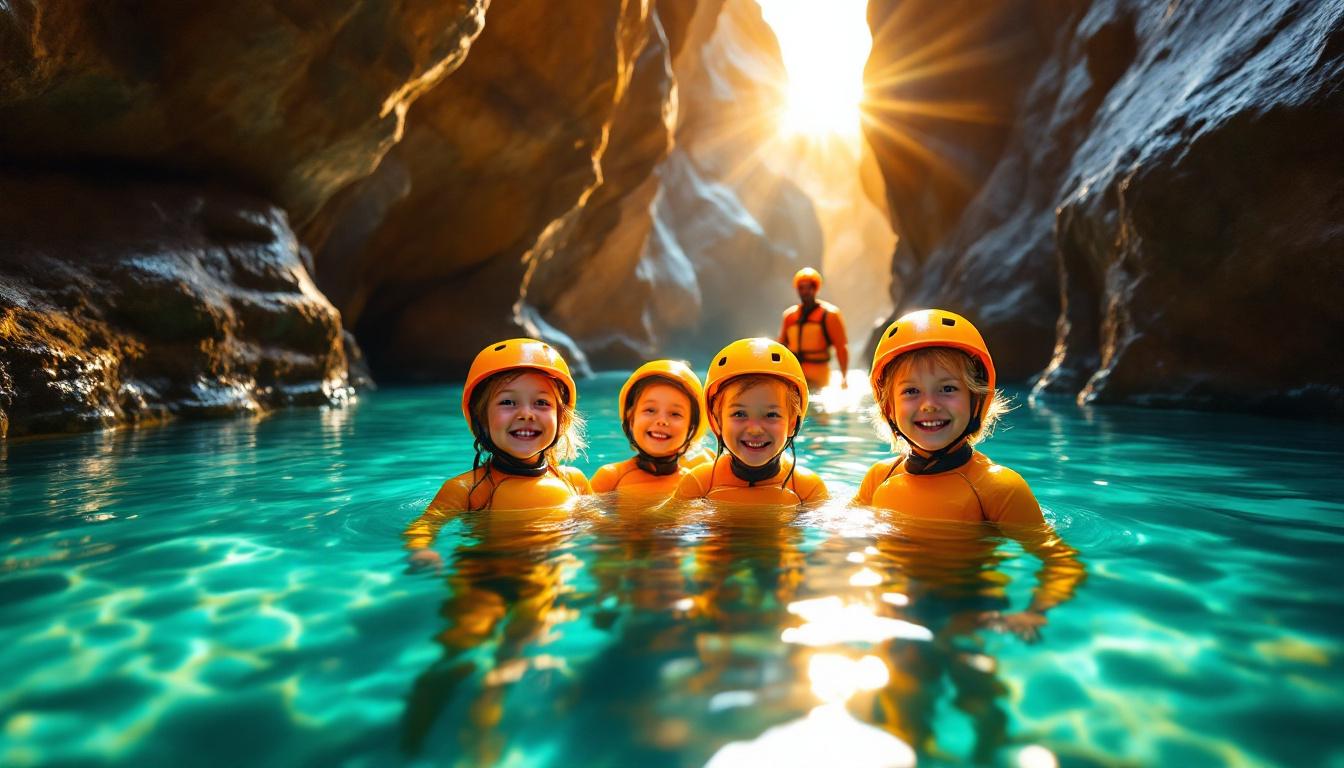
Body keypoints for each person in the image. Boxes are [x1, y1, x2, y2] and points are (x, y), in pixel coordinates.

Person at [855, 308, 1084, 640]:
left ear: (977, 399)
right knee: (899, 688)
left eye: (947, 389)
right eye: (911, 391)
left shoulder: (996, 486)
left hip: (972, 610)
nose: (929, 404)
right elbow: (840, 534)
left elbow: (1061, 561)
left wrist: (1036, 611)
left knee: (975, 688)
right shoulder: (879, 477)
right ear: (888, 407)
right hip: (897, 608)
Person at [404, 338, 590, 570]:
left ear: (561, 419)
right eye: (508, 402)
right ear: (481, 417)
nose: (526, 414)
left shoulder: (573, 481)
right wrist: (421, 549)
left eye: (541, 402)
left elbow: (600, 525)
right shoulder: (467, 489)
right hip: (483, 572)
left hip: (550, 569)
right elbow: (424, 526)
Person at [674, 338, 827, 504]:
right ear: (718, 421)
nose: (755, 430)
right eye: (739, 414)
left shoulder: (806, 489)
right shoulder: (699, 484)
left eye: (771, 415)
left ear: (791, 424)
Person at [590, 360, 711, 497]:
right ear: (631, 418)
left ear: (691, 427)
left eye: (675, 414)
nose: (662, 421)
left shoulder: (695, 483)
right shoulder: (611, 477)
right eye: (650, 410)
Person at [778, 266, 849, 390]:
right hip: (795, 376)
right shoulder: (789, 317)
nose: (805, 291)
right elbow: (781, 347)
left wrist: (844, 378)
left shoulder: (830, 315)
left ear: (816, 288)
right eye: (801, 287)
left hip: (819, 377)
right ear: (797, 289)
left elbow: (841, 348)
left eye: (809, 287)